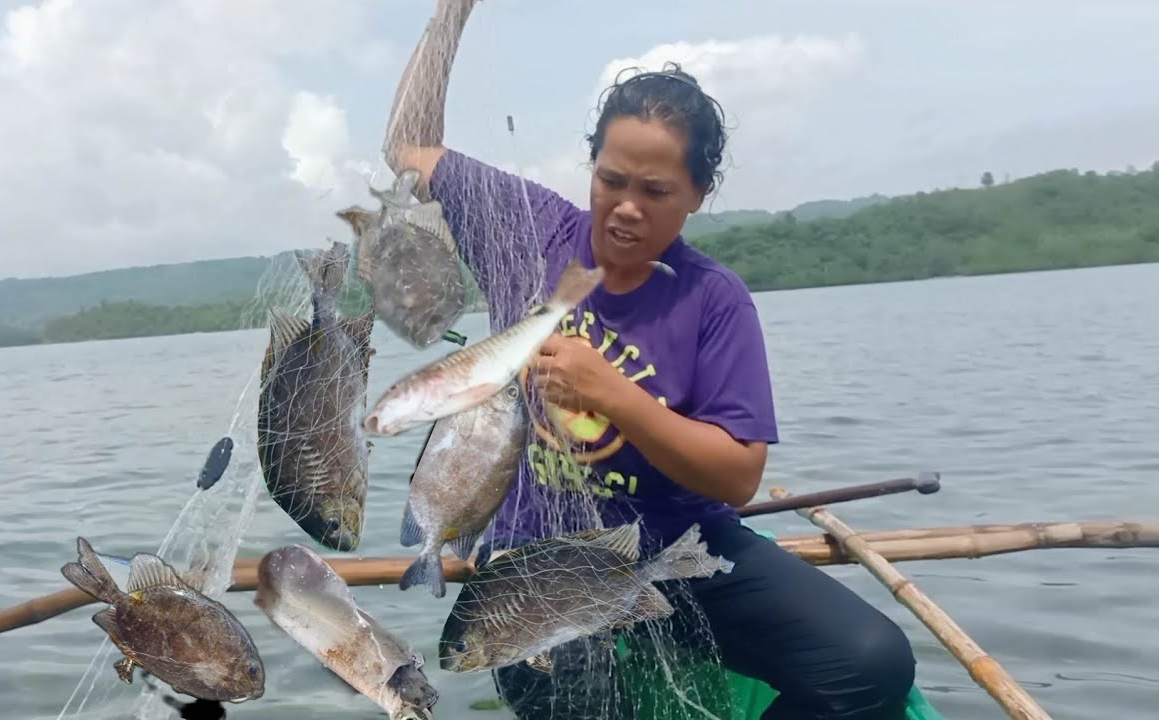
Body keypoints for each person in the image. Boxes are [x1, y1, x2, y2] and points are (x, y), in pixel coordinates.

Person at [380, 1, 917, 718]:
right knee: (575, 687)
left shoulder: (715, 300)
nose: (626, 208)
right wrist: (451, 14)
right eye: (612, 181)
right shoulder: (531, 227)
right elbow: (409, 147)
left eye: (655, 191)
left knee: (872, 665)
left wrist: (615, 395)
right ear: (593, 168)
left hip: (680, 549)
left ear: (697, 194)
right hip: (535, 561)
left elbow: (738, 475)